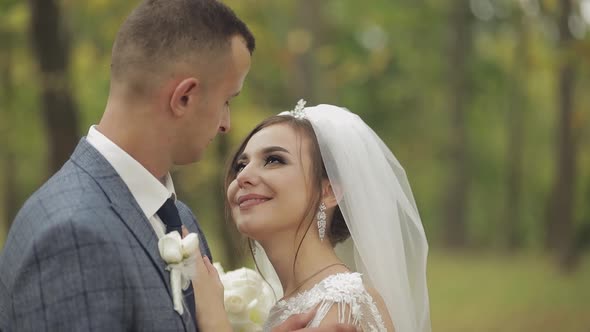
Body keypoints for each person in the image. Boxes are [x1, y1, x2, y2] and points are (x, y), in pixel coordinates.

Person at [0, 1, 355, 331]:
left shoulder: (180, 220)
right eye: (227, 100)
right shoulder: (73, 234)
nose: (226, 124)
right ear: (183, 97)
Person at [192, 100, 432, 331]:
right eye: (241, 165)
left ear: (328, 192)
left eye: (274, 160)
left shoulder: (341, 306)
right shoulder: (286, 306)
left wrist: (215, 323)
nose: (242, 177)